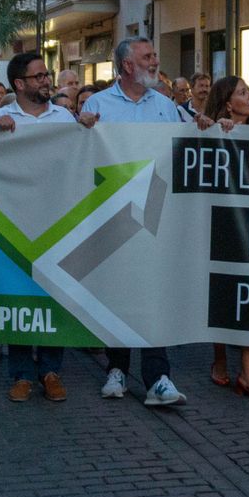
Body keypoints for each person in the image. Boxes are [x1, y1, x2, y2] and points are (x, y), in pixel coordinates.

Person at [82, 37, 188, 406]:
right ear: (127, 66)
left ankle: (158, 376)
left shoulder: (165, 106)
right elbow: (84, 154)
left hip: (157, 211)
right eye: (148, 57)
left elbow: (182, 149)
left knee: (154, 293)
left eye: (154, 55)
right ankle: (117, 367)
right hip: (114, 214)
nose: (155, 61)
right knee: (119, 293)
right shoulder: (97, 105)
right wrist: (81, 129)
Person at [0, 51, 96, 402]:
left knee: (53, 295)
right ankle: (20, 374)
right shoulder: (1, 116)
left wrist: (88, 133)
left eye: (46, 75)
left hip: (56, 222)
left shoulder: (64, 118)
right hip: (14, 222)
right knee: (18, 296)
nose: (46, 81)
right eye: (38, 77)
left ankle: (51, 370)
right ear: (19, 84)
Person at [203, 75, 249, 401]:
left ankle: (248, 372)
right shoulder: (210, 130)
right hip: (220, 225)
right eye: (243, 93)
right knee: (223, 293)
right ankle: (220, 358)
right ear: (228, 103)